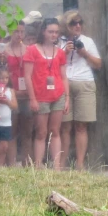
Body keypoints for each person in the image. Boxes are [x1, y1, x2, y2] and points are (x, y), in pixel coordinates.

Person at [59, 10, 102, 170]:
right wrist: (64, 52)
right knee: (64, 126)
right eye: (73, 23)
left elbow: (98, 64)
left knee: (81, 125)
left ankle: (80, 163)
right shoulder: (59, 41)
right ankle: (61, 163)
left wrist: (84, 53)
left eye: (80, 22)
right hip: (64, 83)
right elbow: (52, 63)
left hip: (84, 82)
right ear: (66, 25)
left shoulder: (87, 41)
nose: (78, 26)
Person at [24, 18, 69, 170]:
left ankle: (56, 166)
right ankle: (38, 164)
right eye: (50, 31)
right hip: (40, 95)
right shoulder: (32, 50)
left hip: (58, 95)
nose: (53, 35)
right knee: (41, 131)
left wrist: (67, 98)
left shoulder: (61, 52)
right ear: (43, 31)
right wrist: (32, 99)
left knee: (55, 130)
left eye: (56, 32)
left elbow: (63, 76)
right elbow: (27, 76)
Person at [4, 21, 31, 166]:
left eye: (22, 31)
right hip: (12, 92)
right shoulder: (4, 50)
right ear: (10, 31)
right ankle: (12, 163)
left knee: (27, 130)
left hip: (26, 94)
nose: (19, 35)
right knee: (12, 130)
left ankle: (28, 162)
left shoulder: (28, 49)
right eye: (16, 31)